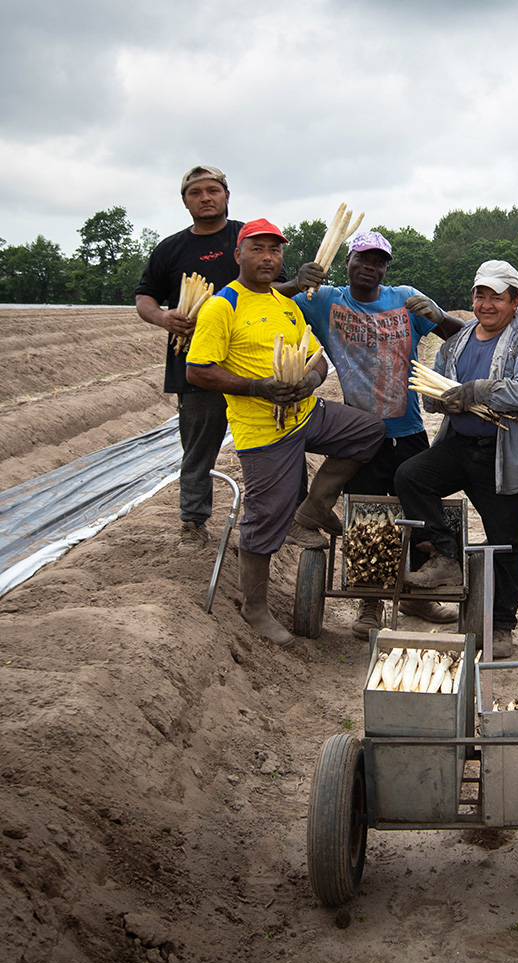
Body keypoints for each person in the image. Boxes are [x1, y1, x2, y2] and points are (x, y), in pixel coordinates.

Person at [185, 220, 384, 646]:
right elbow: (198, 370)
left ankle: (312, 509)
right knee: (264, 516)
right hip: (263, 429)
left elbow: (317, 358)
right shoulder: (223, 307)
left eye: (275, 251)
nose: (268, 258)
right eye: (258, 249)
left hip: (305, 413)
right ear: (239, 255)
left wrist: (309, 383)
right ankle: (254, 607)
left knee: (368, 431)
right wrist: (256, 387)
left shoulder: (285, 303)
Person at [293, 231, 463, 637]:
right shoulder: (324, 300)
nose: (370, 267)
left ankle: (418, 598)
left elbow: (461, 336)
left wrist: (439, 316)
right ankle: (370, 606)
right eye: (363, 259)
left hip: (409, 430)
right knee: (369, 517)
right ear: (348, 260)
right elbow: (271, 303)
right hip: (360, 434)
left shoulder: (404, 299)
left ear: (386, 268)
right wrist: (294, 281)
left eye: (379, 261)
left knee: (417, 515)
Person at [393, 261, 518, 660]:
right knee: (412, 476)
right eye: (480, 295)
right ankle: (447, 554)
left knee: (506, 540)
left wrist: (480, 391)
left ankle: (501, 625)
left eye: (496, 297)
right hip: (460, 445)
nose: (485, 304)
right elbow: (433, 395)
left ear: (515, 302)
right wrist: (440, 398)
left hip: (504, 453)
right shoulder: (458, 340)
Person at [135, 166, 244, 551]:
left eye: (213, 190)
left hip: (248, 358)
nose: (205, 197)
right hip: (195, 364)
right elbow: (145, 297)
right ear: (185, 201)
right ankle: (193, 523)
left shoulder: (246, 239)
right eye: (195, 193)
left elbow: (275, 283)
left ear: (227, 195)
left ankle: (276, 515)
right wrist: (164, 317)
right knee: (198, 444)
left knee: (269, 439)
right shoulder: (170, 249)